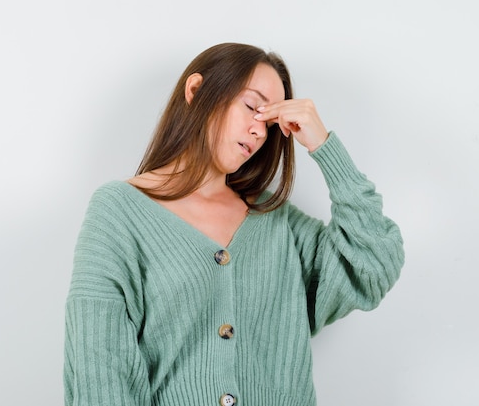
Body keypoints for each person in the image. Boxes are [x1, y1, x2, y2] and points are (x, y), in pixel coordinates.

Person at [64, 42, 404, 406]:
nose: (259, 131)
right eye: (251, 107)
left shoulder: (277, 222)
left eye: (270, 123)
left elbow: (374, 265)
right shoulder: (119, 211)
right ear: (196, 91)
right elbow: (99, 372)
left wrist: (323, 145)